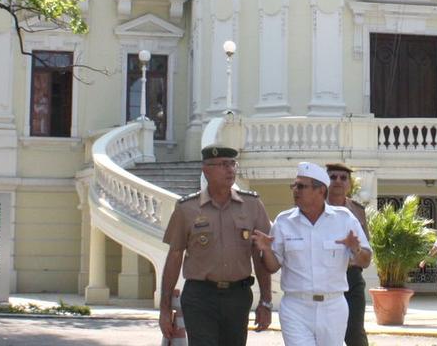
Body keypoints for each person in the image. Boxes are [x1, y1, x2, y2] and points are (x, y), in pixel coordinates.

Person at [159, 145, 272, 346]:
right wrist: (165, 307)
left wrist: (265, 301)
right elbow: (174, 256)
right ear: (206, 170)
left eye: (232, 164)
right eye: (222, 165)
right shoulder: (187, 208)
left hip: (237, 296)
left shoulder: (252, 205)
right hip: (200, 296)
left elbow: (260, 255)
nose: (230, 170)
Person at [254, 162, 371, 346]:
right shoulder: (284, 222)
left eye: (302, 186)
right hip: (296, 307)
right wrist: (266, 250)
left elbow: (365, 260)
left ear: (320, 191)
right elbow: (272, 266)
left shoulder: (344, 219)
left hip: (333, 307)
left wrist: (355, 249)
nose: (295, 190)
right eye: (294, 186)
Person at [326, 163, 370, 346]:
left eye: (343, 178)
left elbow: (366, 251)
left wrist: (356, 249)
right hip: (325, 277)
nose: (338, 181)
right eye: (333, 177)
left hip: (352, 277)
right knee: (325, 334)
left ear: (349, 184)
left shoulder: (357, 210)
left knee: (354, 334)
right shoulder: (315, 209)